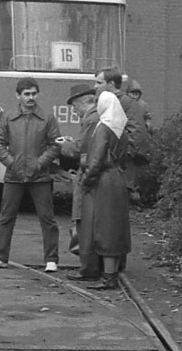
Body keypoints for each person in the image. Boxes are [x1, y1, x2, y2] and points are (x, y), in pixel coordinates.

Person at [0, 77, 62, 272]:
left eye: (33, 94)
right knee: (6, 217)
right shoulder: (9, 117)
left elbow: (55, 144)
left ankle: (51, 260)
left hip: (40, 175)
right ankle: (0, 257)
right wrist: (11, 163)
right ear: (18, 96)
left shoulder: (47, 118)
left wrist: (40, 163)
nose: (30, 98)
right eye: (26, 94)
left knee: (47, 217)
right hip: (14, 175)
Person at [77, 91, 132, 290]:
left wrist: (87, 180)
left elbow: (96, 159)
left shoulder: (103, 128)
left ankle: (108, 277)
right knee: (115, 227)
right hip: (118, 178)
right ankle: (113, 272)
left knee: (104, 228)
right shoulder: (121, 128)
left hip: (104, 181)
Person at [56, 83, 102, 280]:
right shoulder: (98, 116)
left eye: (74, 106)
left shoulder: (90, 119)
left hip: (87, 175)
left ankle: (87, 268)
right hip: (96, 175)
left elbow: (79, 150)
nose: (74, 111)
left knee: (83, 221)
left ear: (83, 102)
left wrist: (63, 146)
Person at [94, 67, 151, 203]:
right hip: (108, 160)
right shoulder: (107, 101)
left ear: (112, 84)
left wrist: (123, 156)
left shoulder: (127, 103)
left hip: (121, 162)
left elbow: (137, 132)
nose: (95, 86)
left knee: (118, 200)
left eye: (99, 82)